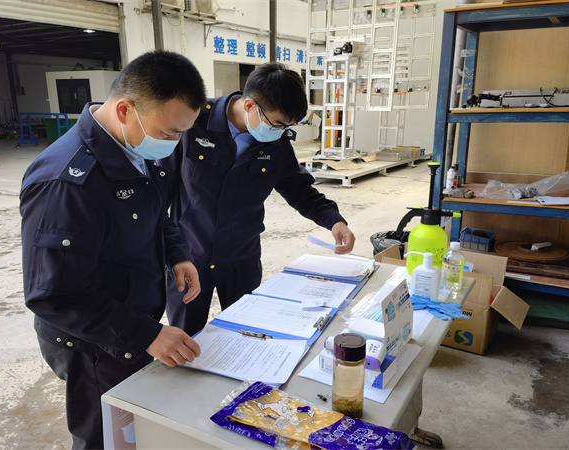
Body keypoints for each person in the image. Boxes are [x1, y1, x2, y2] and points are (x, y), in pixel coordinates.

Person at [20, 51, 206, 449]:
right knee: (103, 436)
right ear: (125, 110)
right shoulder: (65, 184)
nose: (173, 144)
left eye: (181, 134)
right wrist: (147, 334)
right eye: (169, 133)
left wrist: (177, 252)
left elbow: (156, 211)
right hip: (90, 340)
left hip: (127, 321)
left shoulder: (135, 147)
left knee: (132, 429)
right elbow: (53, 295)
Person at [162, 62, 356, 337]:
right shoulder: (193, 122)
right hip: (189, 257)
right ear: (250, 105)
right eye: (277, 123)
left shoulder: (276, 141)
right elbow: (159, 190)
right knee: (184, 337)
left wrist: (334, 221)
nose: (280, 131)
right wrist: (167, 251)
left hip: (242, 258)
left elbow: (298, 188)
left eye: (287, 126)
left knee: (245, 335)